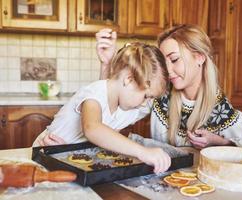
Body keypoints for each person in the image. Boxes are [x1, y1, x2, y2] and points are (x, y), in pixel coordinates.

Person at [96, 25, 242, 149]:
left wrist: (218, 142)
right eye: (164, 62)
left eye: (175, 59)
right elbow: (107, 120)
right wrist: (107, 64)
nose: (168, 70)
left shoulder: (221, 108)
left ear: (199, 57)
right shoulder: (159, 94)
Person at [33, 42, 171, 174]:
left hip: (71, 160)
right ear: (129, 80)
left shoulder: (128, 110)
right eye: (146, 96)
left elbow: (105, 140)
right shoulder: (95, 93)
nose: (144, 103)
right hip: (44, 155)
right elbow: (92, 128)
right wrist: (143, 152)